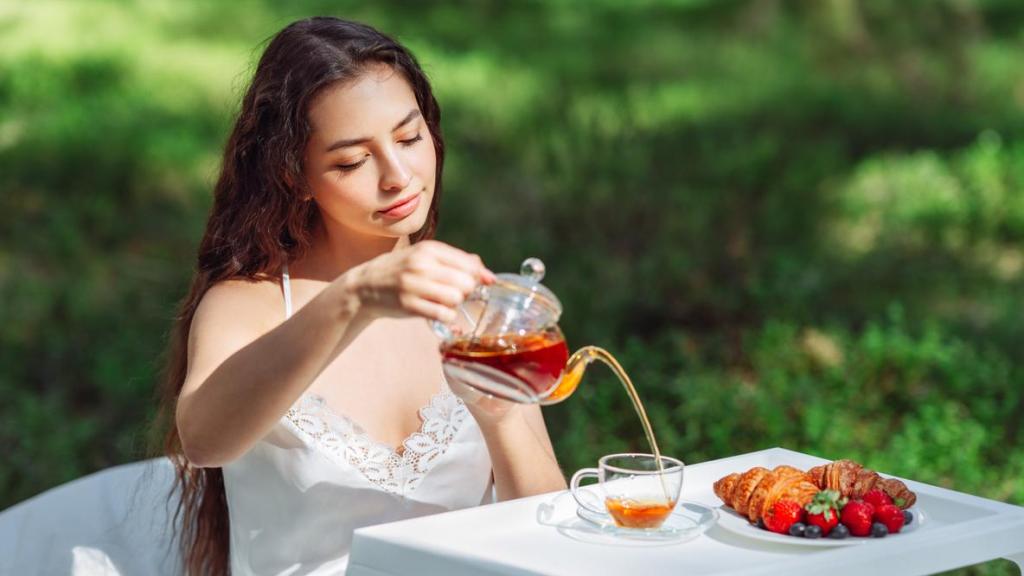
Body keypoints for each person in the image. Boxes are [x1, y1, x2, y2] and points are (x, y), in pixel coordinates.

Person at [154, 16, 567, 576]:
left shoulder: (470, 299)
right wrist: (355, 297)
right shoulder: (248, 304)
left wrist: (499, 419)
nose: (398, 175)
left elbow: (546, 531)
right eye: (352, 161)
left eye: (410, 137)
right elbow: (203, 441)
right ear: (293, 175)